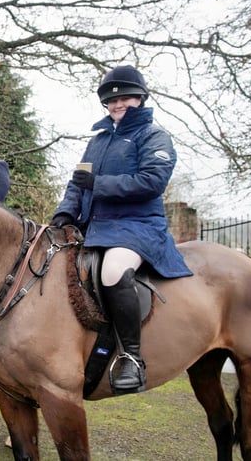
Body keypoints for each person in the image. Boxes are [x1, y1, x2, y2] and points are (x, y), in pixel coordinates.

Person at [50, 65, 192, 394]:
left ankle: (131, 356)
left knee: (113, 271)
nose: (118, 105)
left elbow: (152, 182)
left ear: (140, 98)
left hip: (136, 226)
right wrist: (65, 213)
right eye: (112, 101)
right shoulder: (97, 142)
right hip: (95, 228)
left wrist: (99, 184)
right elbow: (77, 183)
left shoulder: (154, 136)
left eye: (125, 98)